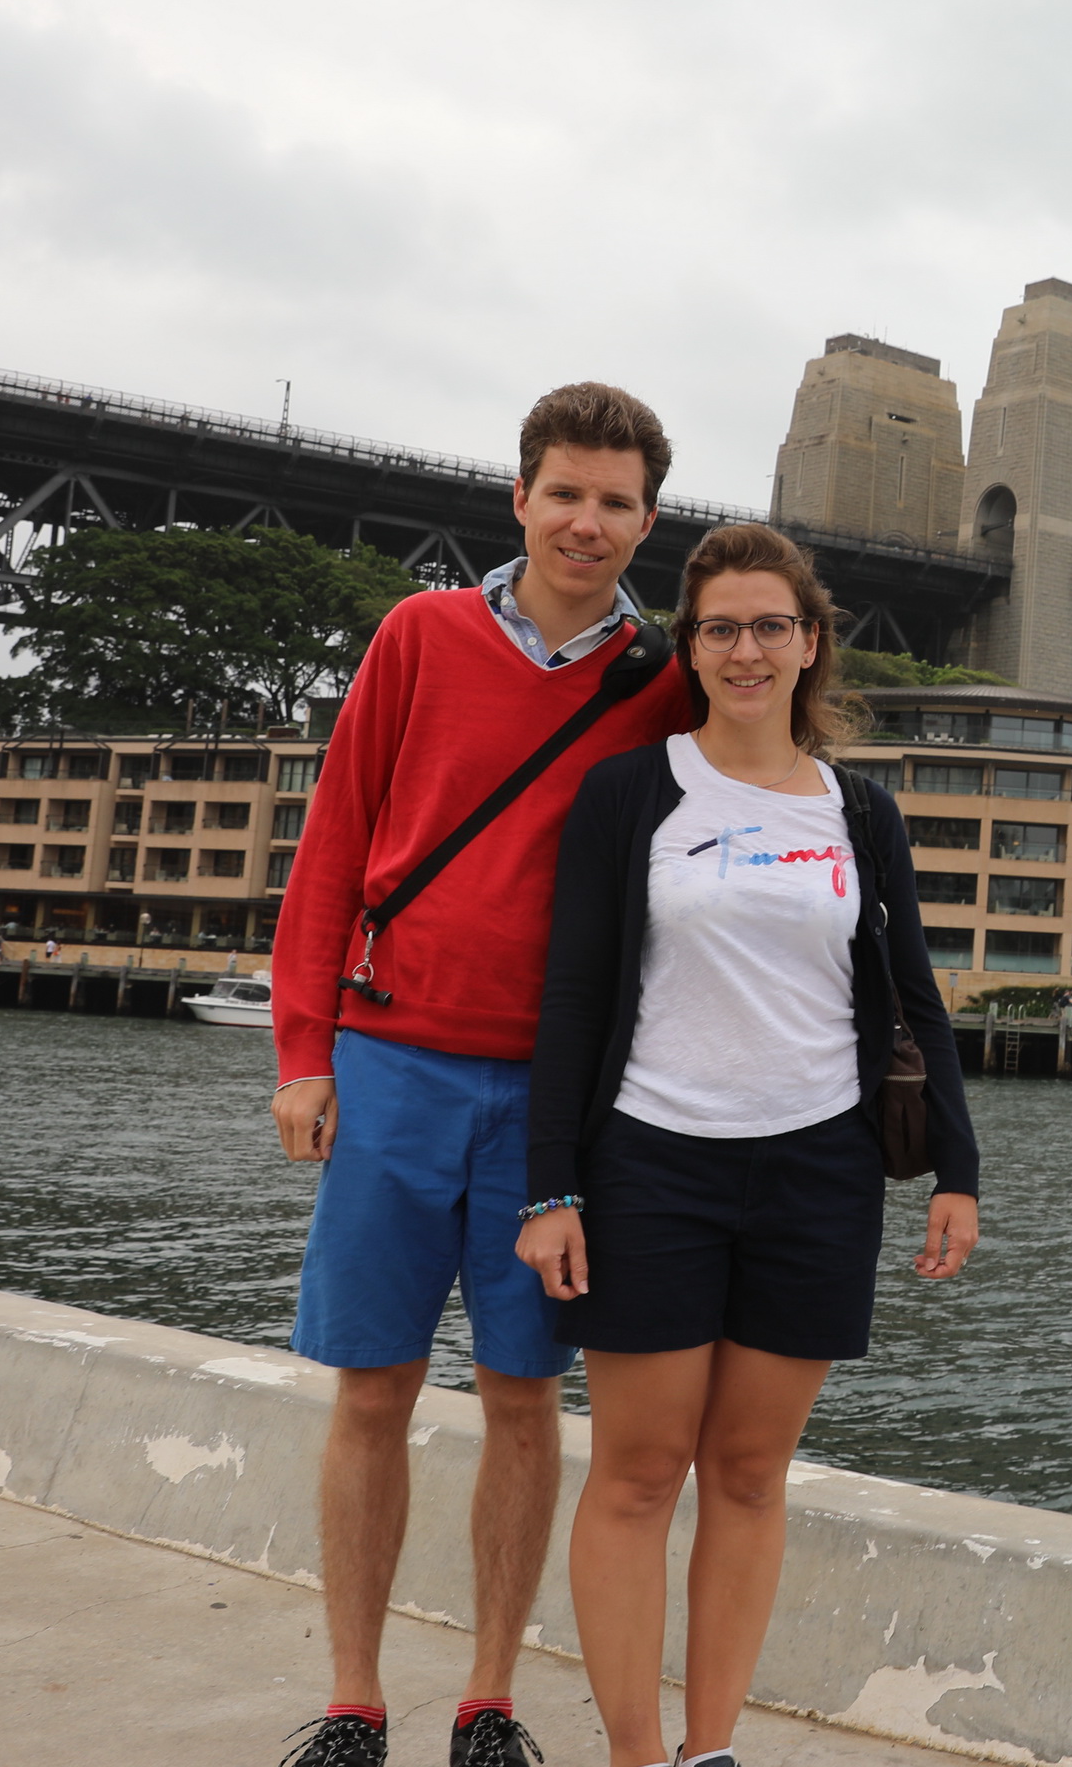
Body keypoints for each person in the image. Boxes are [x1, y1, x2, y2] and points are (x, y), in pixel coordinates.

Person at [267, 384, 693, 1767]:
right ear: (519, 499)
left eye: (617, 501)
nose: (587, 520)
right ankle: (352, 1700)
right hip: (391, 1061)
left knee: (524, 1398)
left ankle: (489, 1700)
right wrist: (301, 1050)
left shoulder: (665, 684)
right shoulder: (421, 633)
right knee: (373, 1390)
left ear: (647, 520)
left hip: (557, 1097)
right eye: (564, 492)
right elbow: (333, 841)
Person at [519, 522, 981, 1767]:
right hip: (649, 1159)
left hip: (818, 1170)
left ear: (810, 641)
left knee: (749, 1471)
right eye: (719, 625)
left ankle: (708, 1747)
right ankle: (631, 1753)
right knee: (636, 1470)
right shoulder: (631, 792)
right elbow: (573, 997)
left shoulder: (860, 808)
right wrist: (549, 1184)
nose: (746, 647)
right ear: (692, 645)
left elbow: (912, 996)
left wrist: (959, 1171)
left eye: (771, 623)